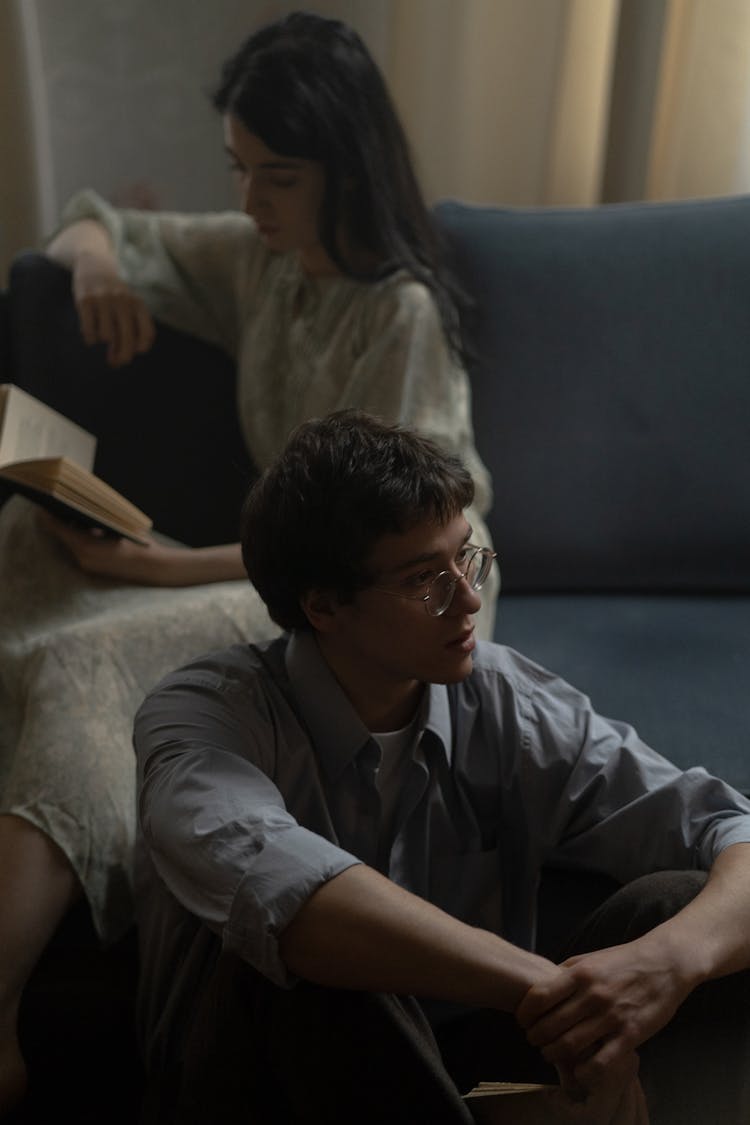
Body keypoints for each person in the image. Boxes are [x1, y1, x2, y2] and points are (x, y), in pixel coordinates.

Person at [0, 11, 497, 1114]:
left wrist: (151, 570)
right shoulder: (263, 263)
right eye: (238, 170)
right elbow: (99, 226)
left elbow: (385, 552)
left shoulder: (399, 315)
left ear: (343, 170)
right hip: (282, 571)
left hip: (374, 601)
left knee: (87, 659)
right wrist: (93, 266)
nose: (247, 201)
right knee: (23, 551)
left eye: (277, 176)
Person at [134, 409, 750, 1125]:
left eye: (469, 558)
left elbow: (727, 823)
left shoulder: (504, 697)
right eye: (426, 578)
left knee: (683, 904)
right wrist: (551, 990)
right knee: (322, 960)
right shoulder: (202, 716)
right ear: (325, 605)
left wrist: (665, 965)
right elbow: (292, 894)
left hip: (472, 1045)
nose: (468, 597)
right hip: (257, 1078)